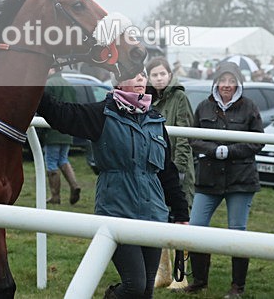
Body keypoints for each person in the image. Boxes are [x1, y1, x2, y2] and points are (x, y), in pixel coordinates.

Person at [37, 70, 189, 299]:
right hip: (116, 211)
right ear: (117, 82)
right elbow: (59, 113)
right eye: (133, 74)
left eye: (143, 75)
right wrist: (31, 80)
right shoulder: (101, 114)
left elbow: (166, 171)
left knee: (146, 290)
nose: (141, 79)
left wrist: (180, 213)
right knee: (134, 285)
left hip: (153, 214)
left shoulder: (156, 120)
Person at [180, 62, 263, 298]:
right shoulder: (204, 107)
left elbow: (257, 141)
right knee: (195, 228)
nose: (226, 85)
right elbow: (193, 138)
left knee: (236, 232)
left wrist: (230, 151)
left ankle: (238, 286)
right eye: (222, 80)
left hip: (241, 179)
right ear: (216, 82)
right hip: (208, 178)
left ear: (237, 83)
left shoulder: (249, 107)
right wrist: (215, 150)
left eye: (231, 80)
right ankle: (199, 280)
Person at [145, 57, 194, 290]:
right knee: (159, 217)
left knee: (180, 217)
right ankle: (162, 272)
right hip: (157, 168)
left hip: (176, 167)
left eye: (162, 74)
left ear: (169, 74)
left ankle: (181, 275)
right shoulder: (149, 99)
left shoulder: (180, 98)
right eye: (154, 75)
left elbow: (184, 135)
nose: (158, 78)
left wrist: (180, 168)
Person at [41, 69, 81, 205]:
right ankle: (74, 185)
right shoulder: (69, 85)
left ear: (52, 69)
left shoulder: (48, 84)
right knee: (63, 159)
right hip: (68, 131)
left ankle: (55, 196)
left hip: (52, 131)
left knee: (51, 162)